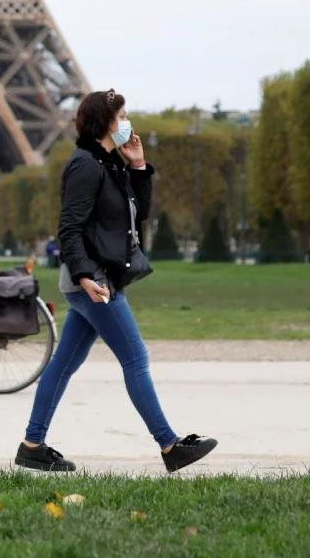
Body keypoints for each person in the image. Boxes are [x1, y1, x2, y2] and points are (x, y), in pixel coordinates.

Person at [15, 89, 216, 473]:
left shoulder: (110, 163)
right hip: (93, 281)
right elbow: (69, 228)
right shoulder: (86, 165)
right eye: (122, 116)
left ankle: (32, 444)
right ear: (105, 122)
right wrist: (85, 274)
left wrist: (139, 166)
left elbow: (136, 215)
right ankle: (169, 446)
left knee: (63, 365)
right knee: (136, 358)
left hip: (98, 277)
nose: (127, 123)